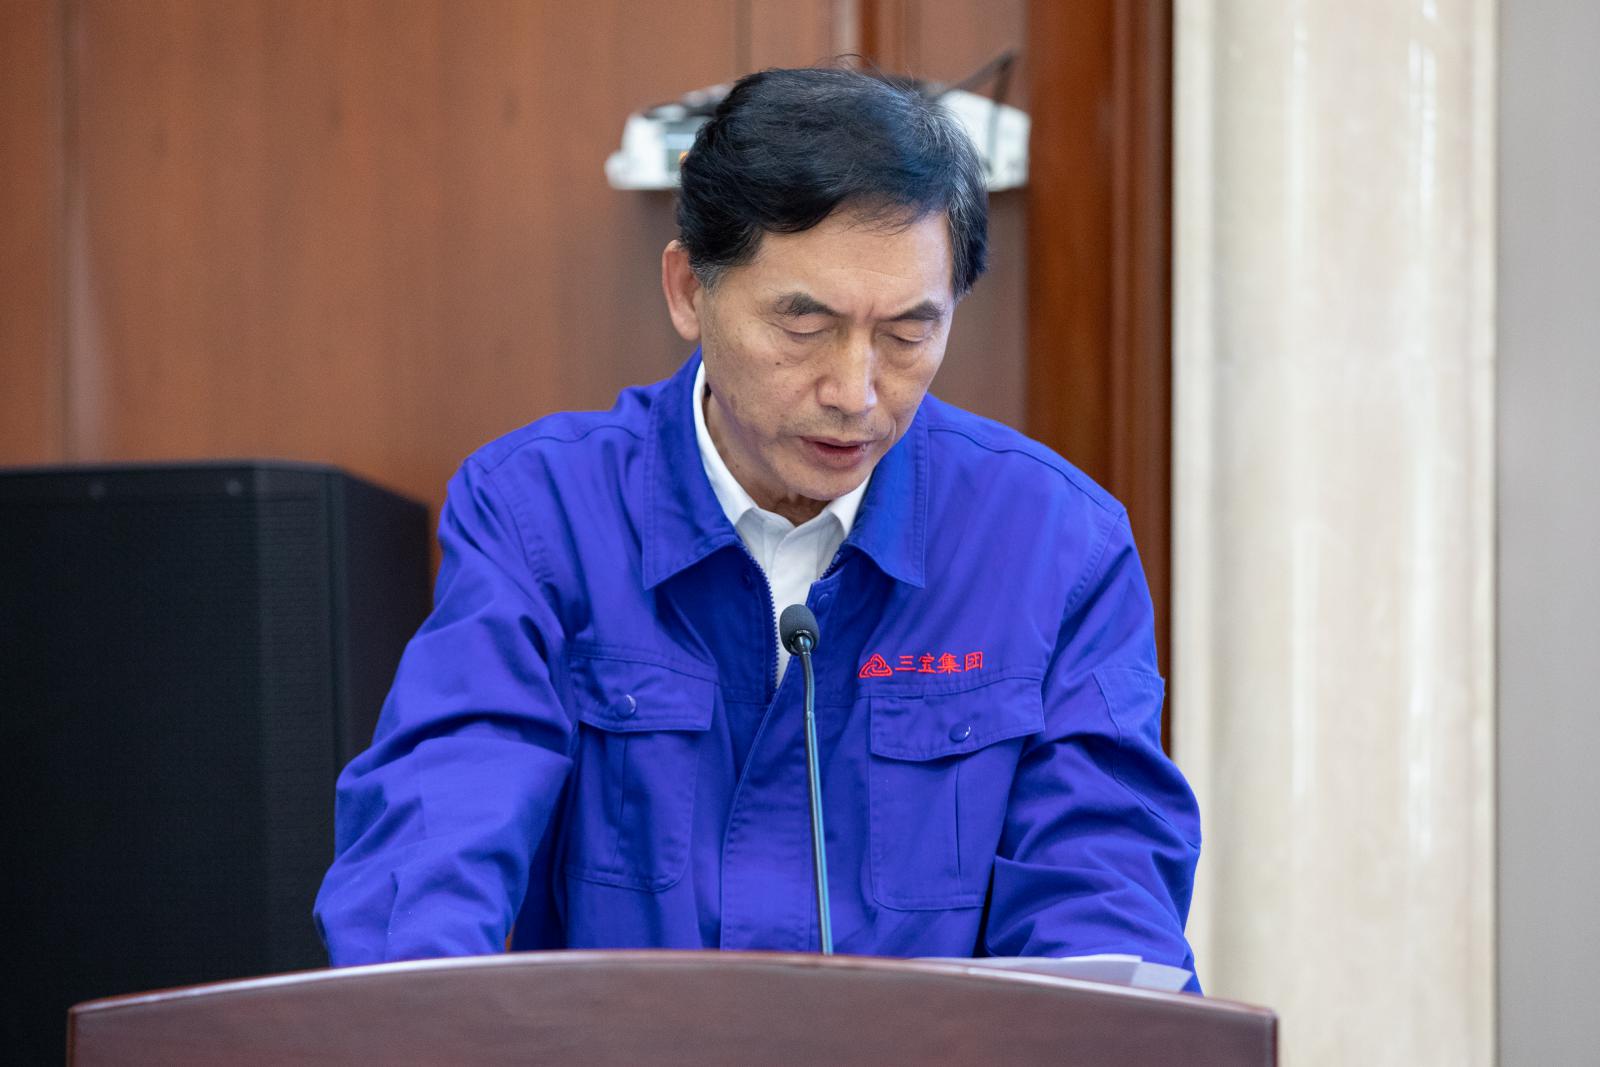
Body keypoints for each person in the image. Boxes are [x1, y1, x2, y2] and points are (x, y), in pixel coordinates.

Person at [314, 66, 1202, 984]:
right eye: (804, 326)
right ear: (687, 291)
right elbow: (438, 829)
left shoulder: (1055, 545)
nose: (855, 392)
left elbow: (1102, 896)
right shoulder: (542, 514)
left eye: (907, 333)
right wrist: (414, 1019)